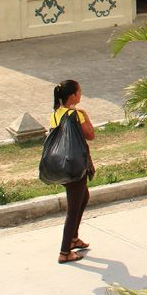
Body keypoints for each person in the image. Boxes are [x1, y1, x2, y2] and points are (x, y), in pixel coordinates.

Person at [51, 79, 95, 265]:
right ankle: (64, 251)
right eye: (79, 92)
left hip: (62, 165)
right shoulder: (77, 114)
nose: (81, 94)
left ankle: (74, 238)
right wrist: (84, 115)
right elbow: (90, 135)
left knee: (83, 197)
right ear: (72, 96)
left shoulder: (56, 114)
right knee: (73, 207)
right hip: (76, 166)